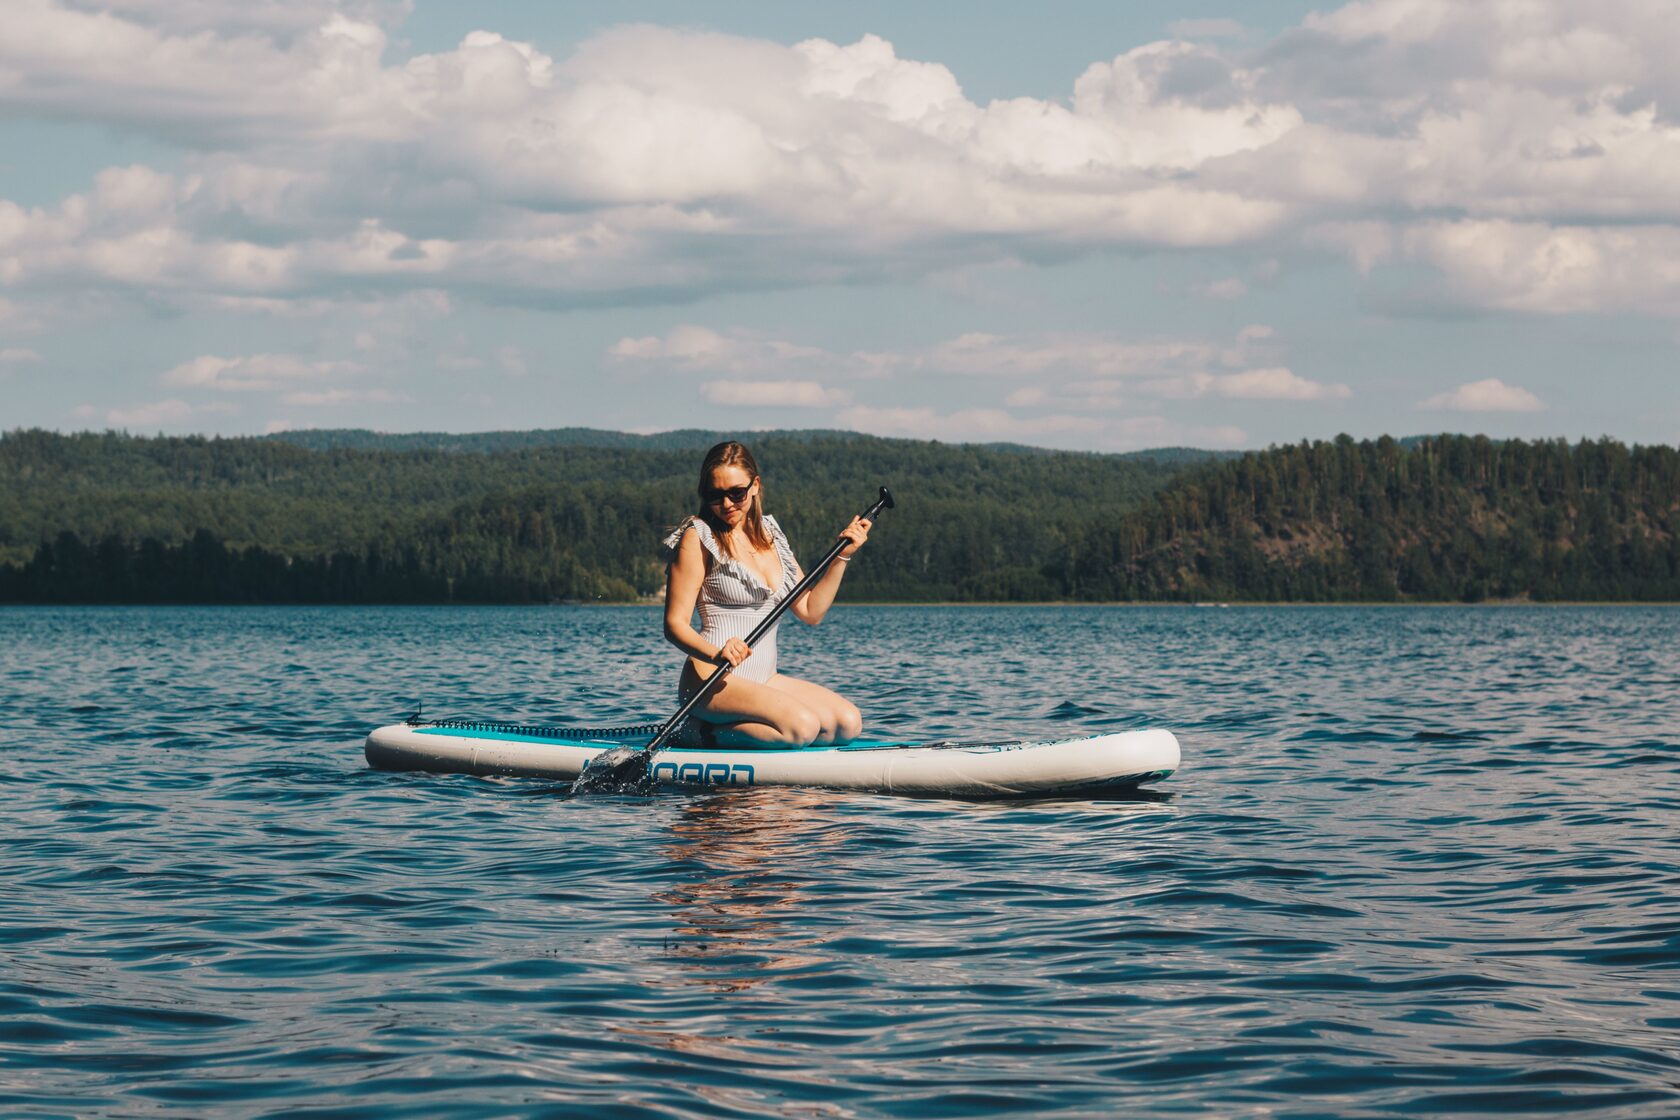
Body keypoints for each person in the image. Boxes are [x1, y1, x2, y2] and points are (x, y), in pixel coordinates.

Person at [662, 441, 870, 747]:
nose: (727, 504)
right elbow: (674, 626)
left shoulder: (770, 534)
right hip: (711, 679)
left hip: (763, 677)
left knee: (846, 724)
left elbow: (811, 611)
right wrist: (716, 653)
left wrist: (843, 556)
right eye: (715, 495)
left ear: (755, 486)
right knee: (802, 727)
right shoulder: (698, 537)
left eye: (736, 493)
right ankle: (699, 732)